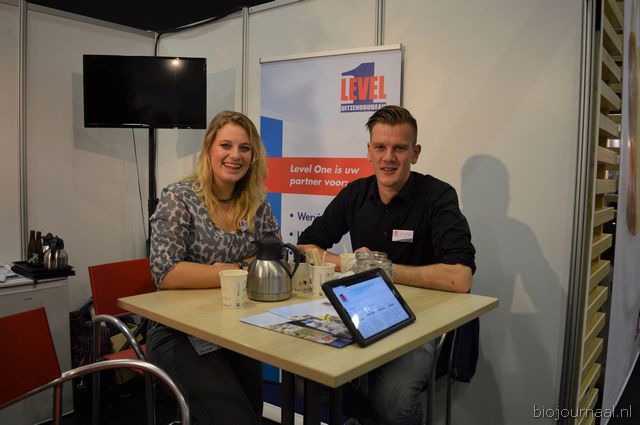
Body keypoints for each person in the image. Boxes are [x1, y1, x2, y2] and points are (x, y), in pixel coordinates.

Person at [298, 105, 476, 425]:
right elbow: (306, 246)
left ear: (415, 153)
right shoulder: (356, 193)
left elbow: (460, 278)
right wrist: (349, 264)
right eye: (380, 147)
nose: (388, 158)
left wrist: (385, 271)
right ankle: (370, 418)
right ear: (369, 151)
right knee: (306, 376)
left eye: (399, 148)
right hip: (362, 311)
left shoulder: (437, 196)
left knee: (394, 402)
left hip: (420, 319)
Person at [148, 110, 280, 425]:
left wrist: (217, 270)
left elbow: (274, 256)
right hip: (179, 331)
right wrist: (236, 269)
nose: (235, 155)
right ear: (209, 150)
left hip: (234, 328)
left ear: (253, 156)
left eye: (245, 148)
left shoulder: (256, 202)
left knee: (251, 414)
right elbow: (166, 272)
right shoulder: (179, 198)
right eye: (226, 145)